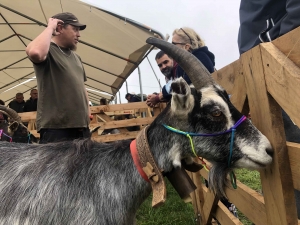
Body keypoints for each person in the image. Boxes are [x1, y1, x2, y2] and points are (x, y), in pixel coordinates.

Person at [238, 1, 300, 218]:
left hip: (278, 67)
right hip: (260, 72)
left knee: (291, 167)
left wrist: (285, 44)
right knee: (276, 164)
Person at [25, 12, 91, 144]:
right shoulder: (49, 51)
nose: (79, 34)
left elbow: (81, 85)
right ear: (60, 28)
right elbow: (35, 52)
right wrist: (50, 28)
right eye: (75, 29)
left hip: (81, 127)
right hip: (56, 129)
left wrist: (87, 111)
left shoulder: (76, 57)